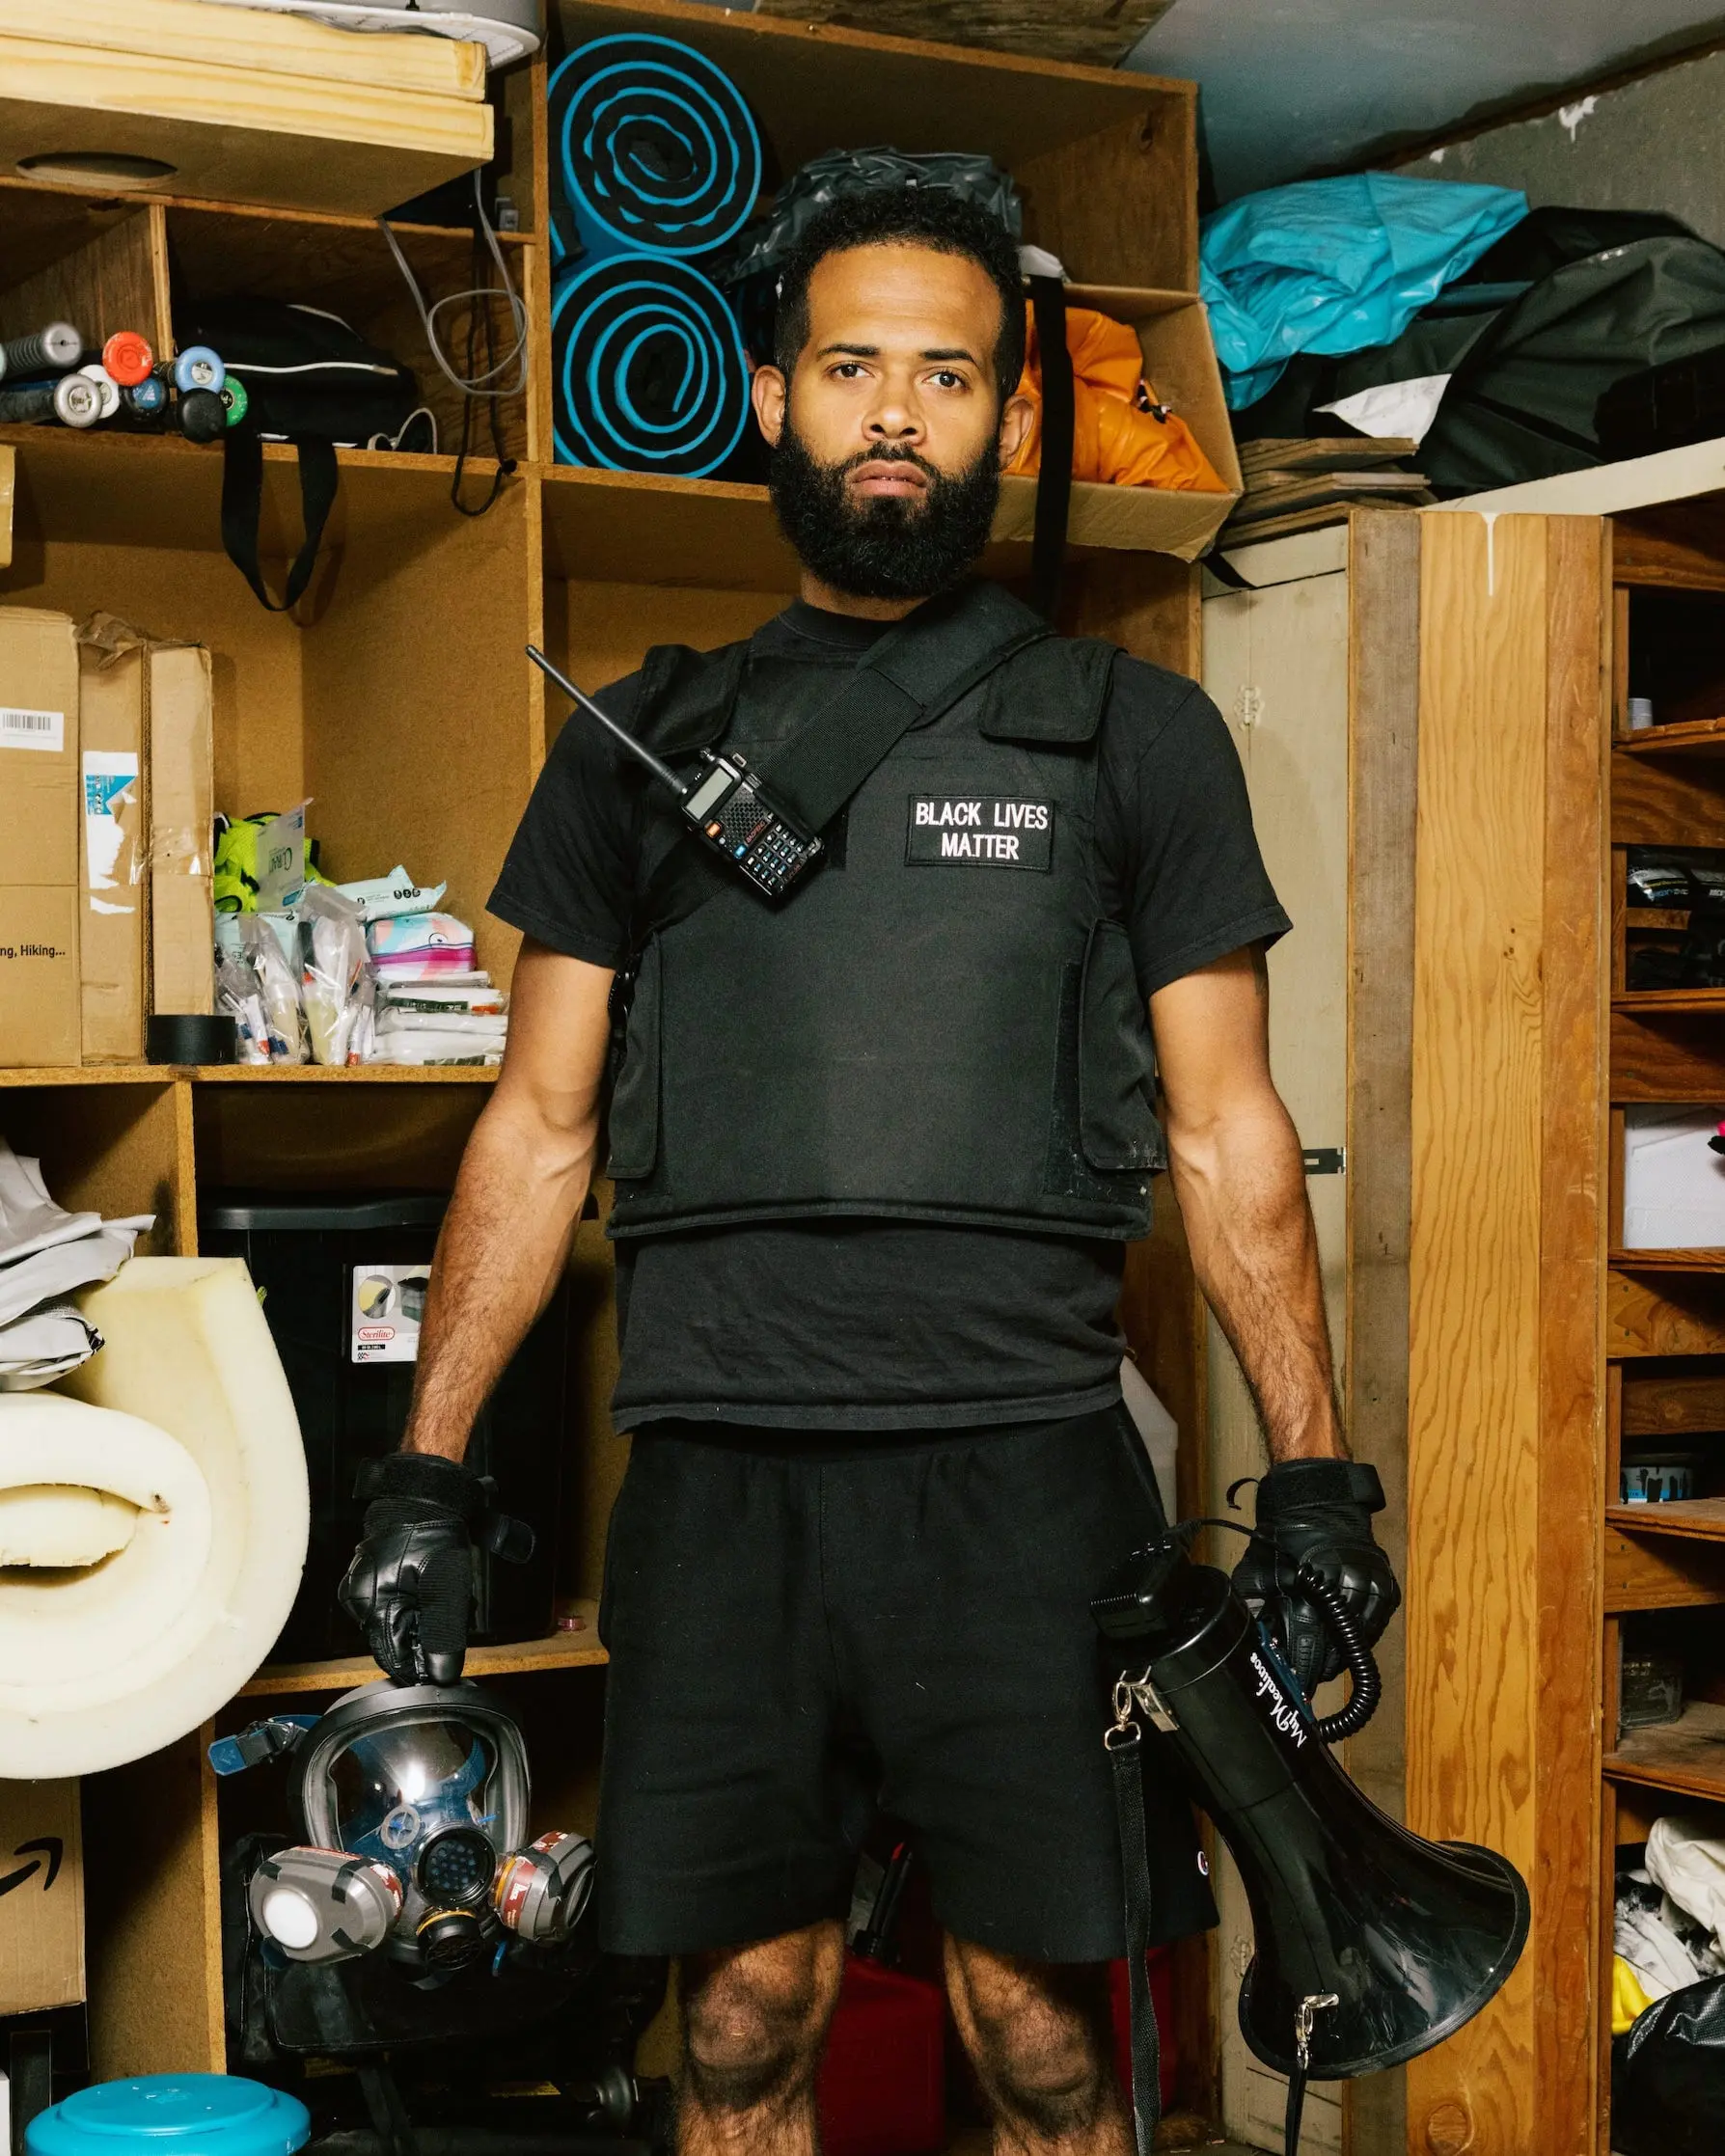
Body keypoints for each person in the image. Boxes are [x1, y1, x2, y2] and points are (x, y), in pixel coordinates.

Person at [340, 188, 1399, 2156]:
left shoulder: (1141, 742)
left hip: (1023, 1478)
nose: (896, 412)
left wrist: (1315, 1476)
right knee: (739, 2023)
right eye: (851, 368)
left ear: (1004, 417)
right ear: (770, 396)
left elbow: (1226, 1126)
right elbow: (538, 1125)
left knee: (1044, 2037)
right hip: (721, 1481)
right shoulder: (638, 749)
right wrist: (427, 1463)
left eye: (947, 372)